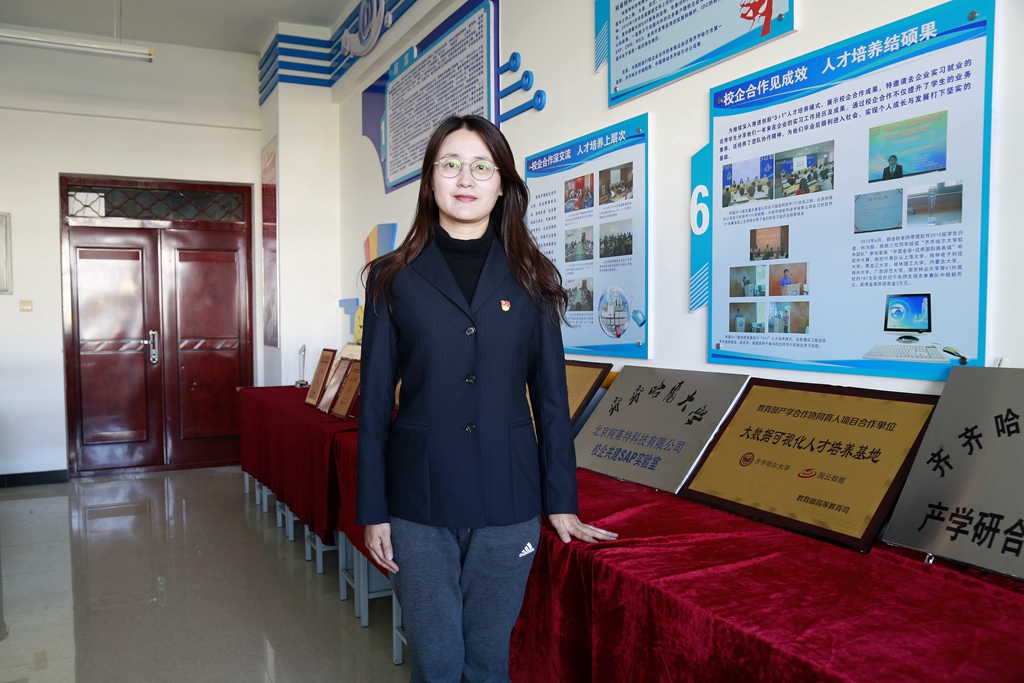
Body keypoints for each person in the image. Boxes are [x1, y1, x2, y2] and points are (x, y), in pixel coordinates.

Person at [357, 114, 617, 683]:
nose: (465, 179)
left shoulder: (532, 278)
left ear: (502, 185)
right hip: (418, 502)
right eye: (450, 165)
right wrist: (372, 511)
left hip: (508, 499)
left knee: (487, 662)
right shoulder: (392, 278)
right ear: (430, 180)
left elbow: (551, 401)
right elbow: (373, 407)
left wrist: (561, 501)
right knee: (438, 664)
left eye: (482, 167)